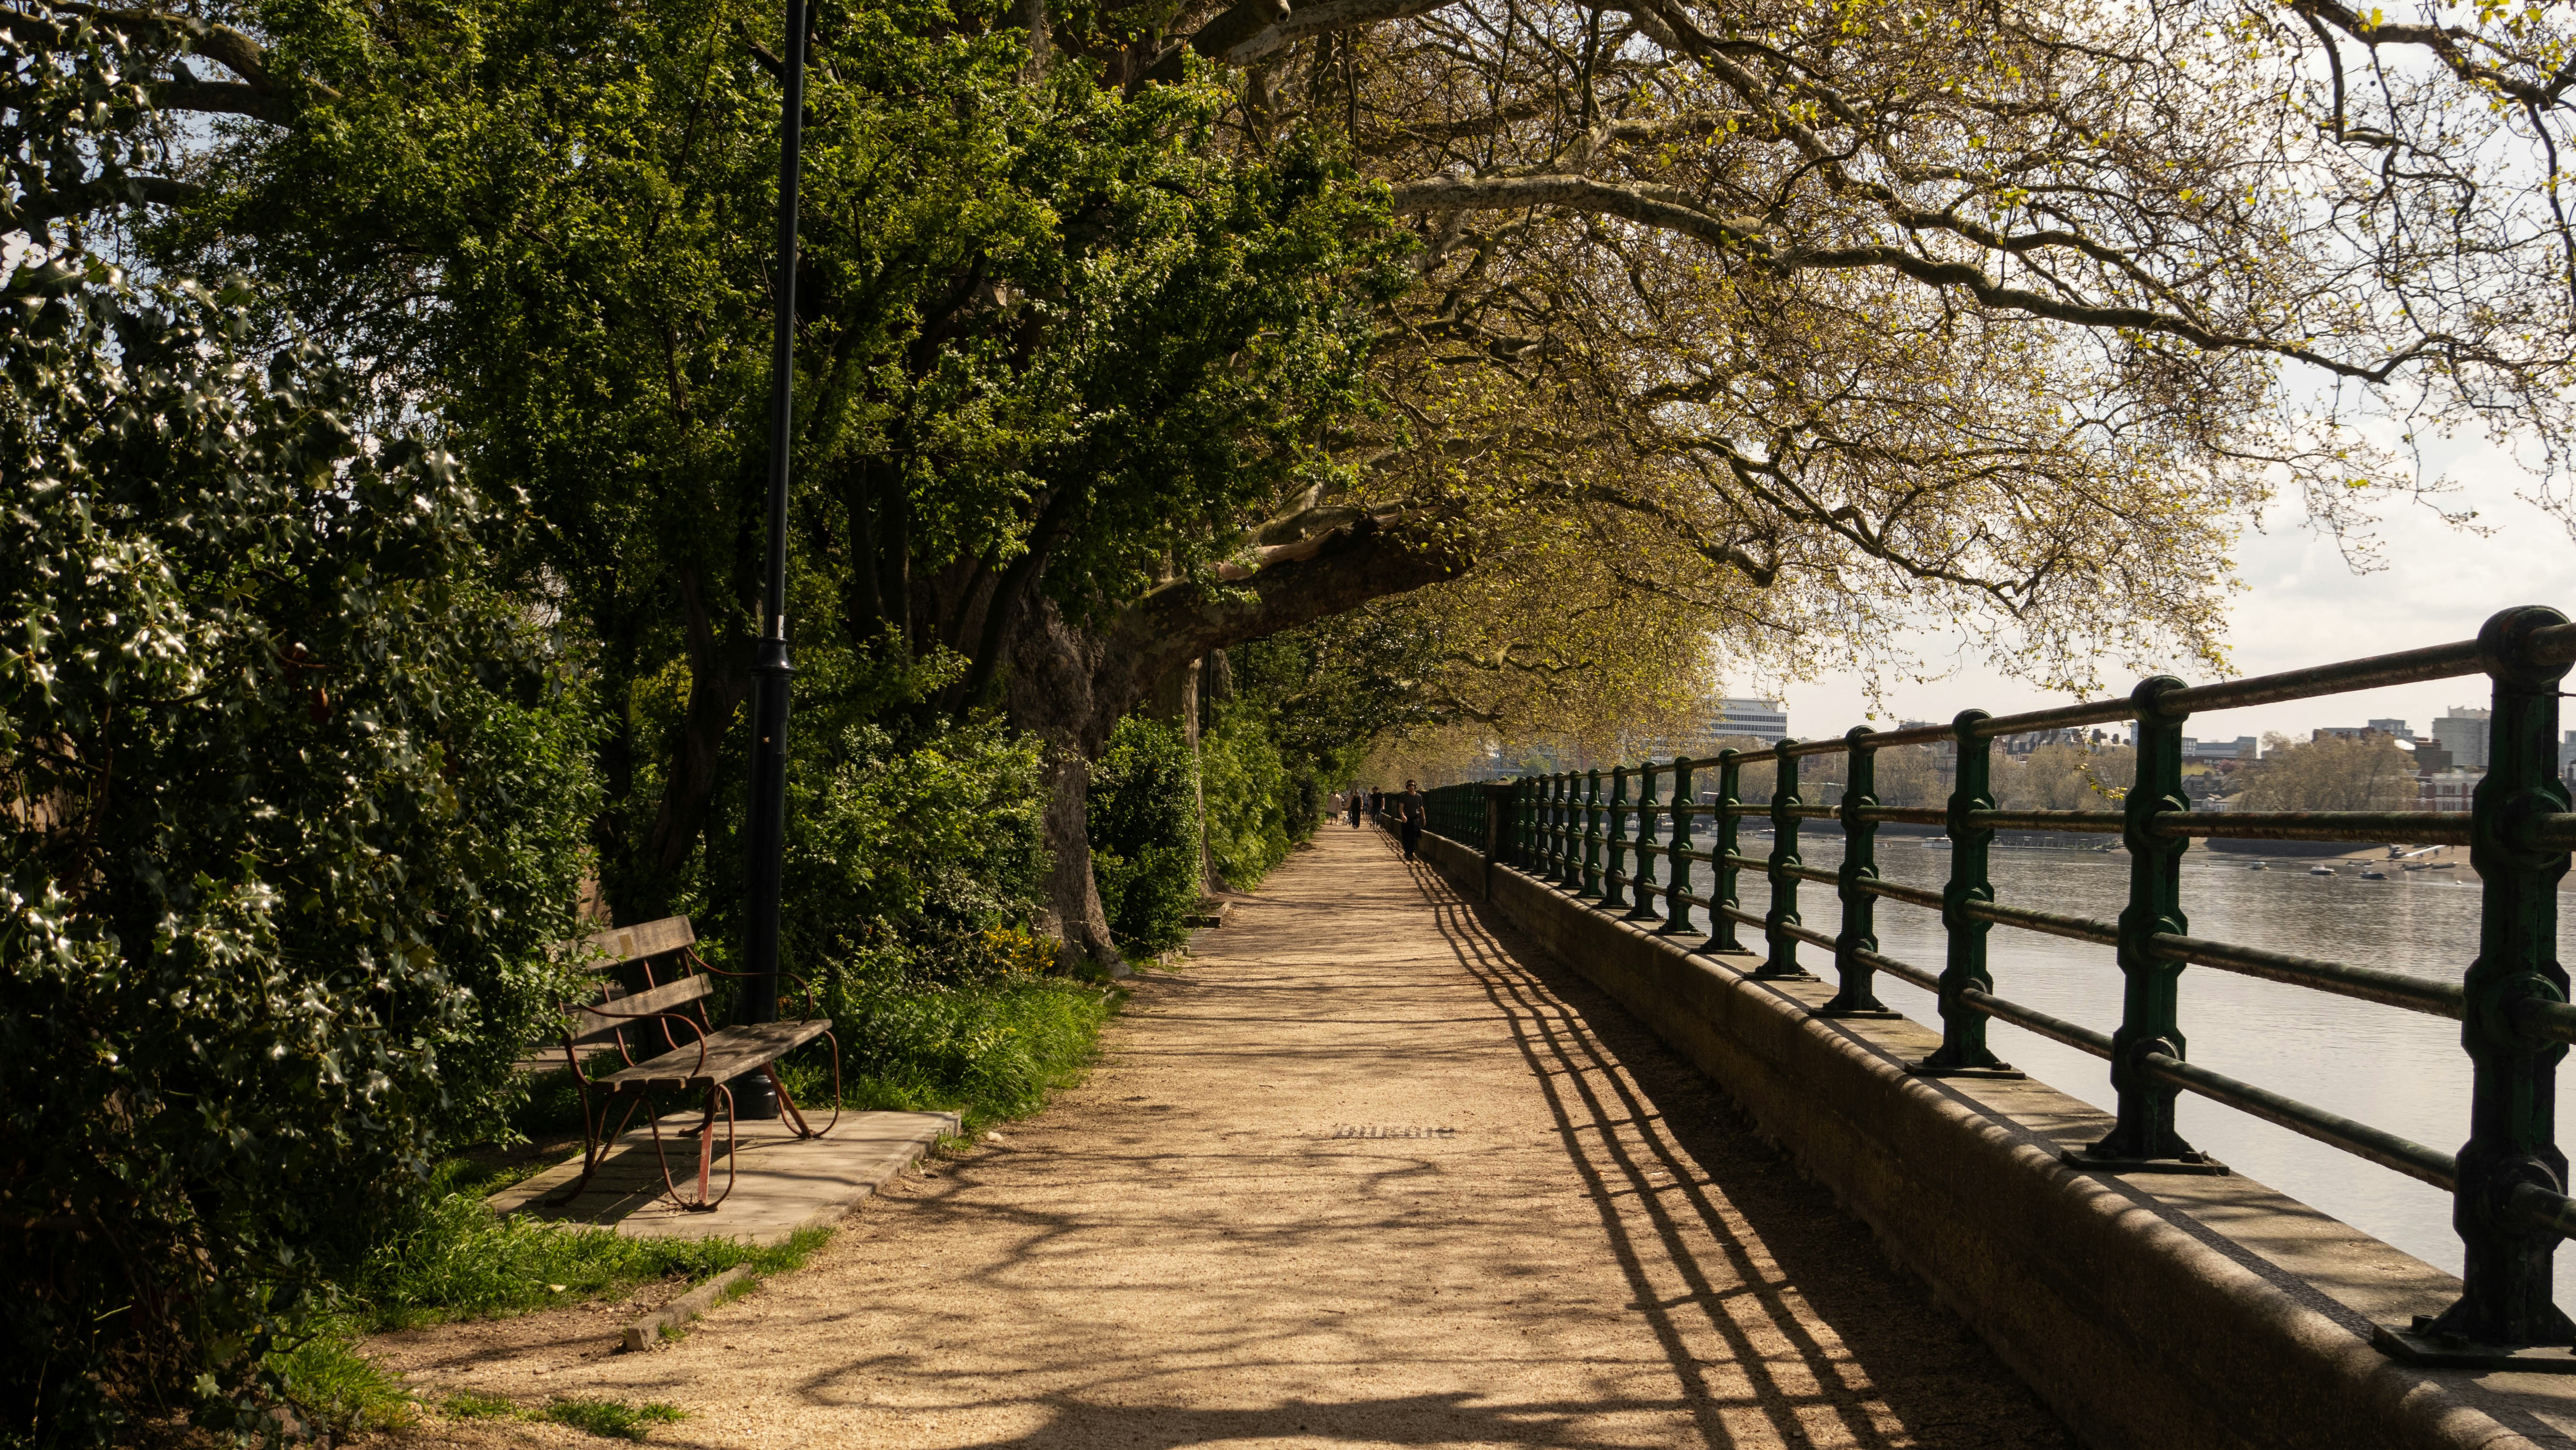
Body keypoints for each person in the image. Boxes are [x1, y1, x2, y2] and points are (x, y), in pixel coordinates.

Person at [1399, 779, 1426, 861]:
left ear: (1415, 787)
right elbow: (1401, 808)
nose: (1411, 787)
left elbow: (1421, 808)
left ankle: (1410, 853)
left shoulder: (1418, 797)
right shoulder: (1403, 796)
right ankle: (1407, 852)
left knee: (1414, 837)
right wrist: (1403, 816)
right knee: (1406, 837)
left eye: (1413, 786)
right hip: (1406, 820)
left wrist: (1424, 819)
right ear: (1407, 787)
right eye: (1410, 785)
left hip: (1415, 820)